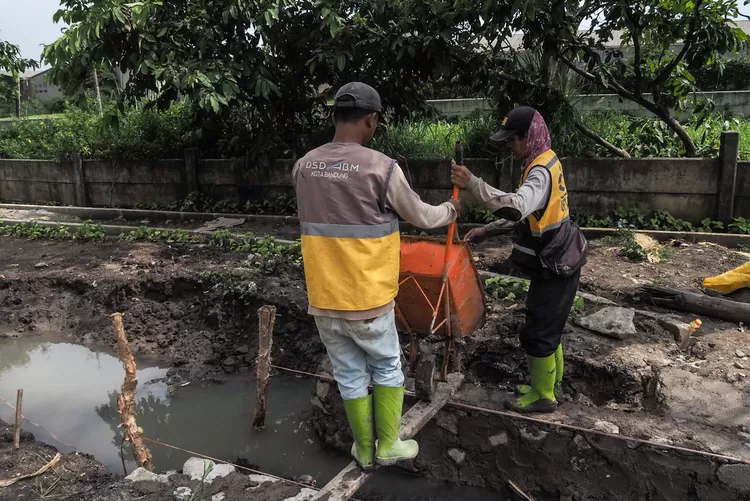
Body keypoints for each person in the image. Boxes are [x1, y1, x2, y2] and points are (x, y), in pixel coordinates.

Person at [293, 82, 461, 468]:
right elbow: (422, 216)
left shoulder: (303, 166)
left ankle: (363, 449)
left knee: (349, 373)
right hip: (366, 297)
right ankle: (388, 445)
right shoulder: (381, 168)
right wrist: (452, 209)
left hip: (323, 297)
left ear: (335, 116)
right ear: (371, 121)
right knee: (386, 366)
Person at [451, 106, 586, 414]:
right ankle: (551, 386)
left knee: (538, 332)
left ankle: (542, 395)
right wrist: (487, 229)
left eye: (512, 141)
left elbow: (516, 207)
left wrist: (472, 183)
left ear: (528, 137)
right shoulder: (545, 160)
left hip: (557, 264)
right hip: (559, 258)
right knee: (548, 327)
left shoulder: (539, 171)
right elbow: (529, 215)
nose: (510, 148)